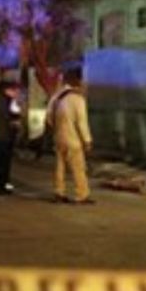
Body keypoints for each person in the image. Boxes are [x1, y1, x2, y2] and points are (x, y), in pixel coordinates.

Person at [47, 68, 94, 205]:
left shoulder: (56, 97)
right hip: (73, 139)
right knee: (78, 167)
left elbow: (49, 118)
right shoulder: (77, 99)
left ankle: (59, 192)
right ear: (78, 81)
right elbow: (81, 122)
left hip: (58, 137)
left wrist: (57, 129)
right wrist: (87, 140)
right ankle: (81, 195)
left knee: (60, 166)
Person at [0, 79, 22, 195]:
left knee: (6, 162)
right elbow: (8, 115)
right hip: (2, 135)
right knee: (2, 162)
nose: (16, 92)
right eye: (13, 89)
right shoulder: (1, 100)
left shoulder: (9, 100)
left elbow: (16, 114)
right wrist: (15, 120)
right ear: (6, 90)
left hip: (7, 135)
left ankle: (5, 184)